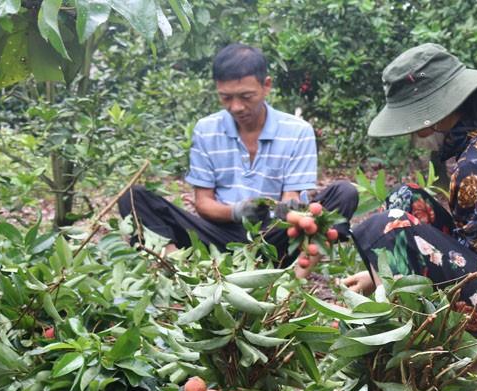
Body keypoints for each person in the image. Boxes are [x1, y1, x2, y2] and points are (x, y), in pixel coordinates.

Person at [342, 43, 477, 338]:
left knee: (388, 227)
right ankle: (388, 300)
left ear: (436, 116)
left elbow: (462, 256)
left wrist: (393, 251)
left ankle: (393, 325)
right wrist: (376, 273)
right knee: (404, 196)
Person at [118, 43, 358, 267]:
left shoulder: (297, 131)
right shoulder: (206, 129)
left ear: (266, 85)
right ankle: (175, 267)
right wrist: (235, 211)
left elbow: (290, 199)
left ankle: (293, 270)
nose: (236, 107)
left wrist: (282, 210)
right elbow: (203, 204)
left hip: (274, 236)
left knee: (344, 193)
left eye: (245, 96)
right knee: (133, 197)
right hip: (217, 236)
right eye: (226, 97)